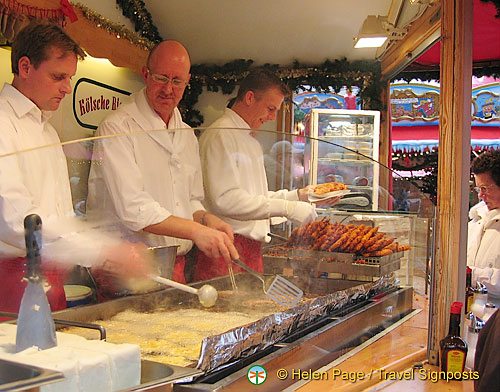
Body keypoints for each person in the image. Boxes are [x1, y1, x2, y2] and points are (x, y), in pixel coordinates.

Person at [0, 21, 152, 319]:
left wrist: (103, 247)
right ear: (25, 66)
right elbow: (17, 220)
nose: (67, 88)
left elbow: (61, 217)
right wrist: (101, 251)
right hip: (10, 285)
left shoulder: (47, 132)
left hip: (51, 279)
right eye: (58, 77)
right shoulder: (3, 124)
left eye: (69, 78)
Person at [87, 40, 239, 284]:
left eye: (177, 81)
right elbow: (133, 208)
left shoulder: (187, 133)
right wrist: (197, 231)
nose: (169, 89)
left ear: (187, 81)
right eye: (161, 78)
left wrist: (207, 220)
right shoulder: (117, 127)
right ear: (146, 74)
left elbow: (189, 199)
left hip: (174, 266)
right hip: (125, 270)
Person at [195, 68, 337, 281]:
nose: (272, 118)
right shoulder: (221, 135)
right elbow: (225, 200)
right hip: (226, 247)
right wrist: (287, 208)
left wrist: (299, 196)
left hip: (249, 249)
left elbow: (255, 196)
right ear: (250, 97)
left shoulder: (247, 138)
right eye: (271, 109)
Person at [467, 149, 500, 307]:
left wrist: (469, 275)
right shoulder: (476, 219)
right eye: (478, 189)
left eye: (485, 189)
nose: (480, 195)